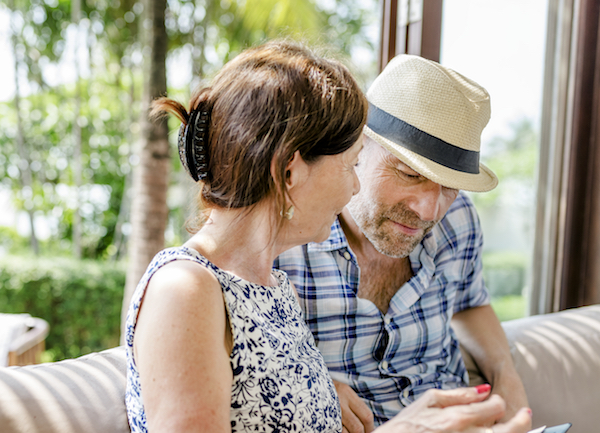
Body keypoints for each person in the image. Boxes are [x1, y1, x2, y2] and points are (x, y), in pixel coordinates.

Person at [124, 41, 532, 433]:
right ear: (291, 170)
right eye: (350, 165)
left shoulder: (270, 284)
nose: (352, 189)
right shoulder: (184, 290)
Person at [275, 54, 530, 432]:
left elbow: (470, 301)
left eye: (449, 187)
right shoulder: (283, 237)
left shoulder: (458, 221)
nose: (430, 211)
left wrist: (505, 375)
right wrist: (312, 387)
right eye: (410, 174)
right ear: (356, 148)